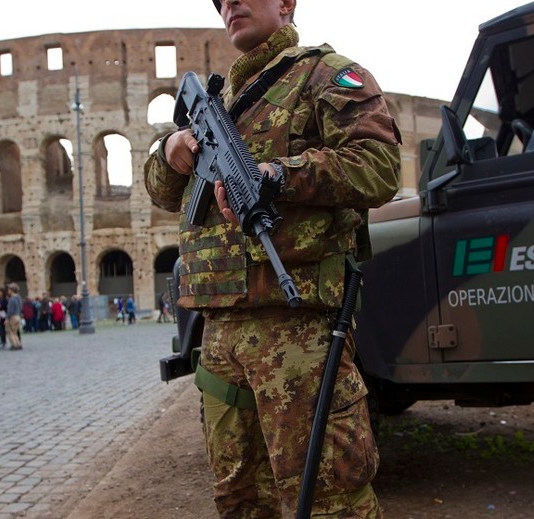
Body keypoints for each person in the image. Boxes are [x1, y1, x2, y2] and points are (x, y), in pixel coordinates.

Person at [144, 0, 402, 515]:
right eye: (221, 1)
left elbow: (379, 166)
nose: (230, 5)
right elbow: (163, 192)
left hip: (299, 331)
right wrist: (172, 147)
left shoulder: (326, 75)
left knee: (331, 499)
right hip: (219, 333)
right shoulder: (224, 103)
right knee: (238, 498)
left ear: (286, 4)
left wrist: (279, 175)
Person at [5, 284, 23, 350]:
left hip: (12, 316)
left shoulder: (12, 299)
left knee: (10, 331)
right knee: (15, 331)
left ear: (11, 290)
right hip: (18, 315)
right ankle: (18, 343)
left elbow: (10, 310)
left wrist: (7, 318)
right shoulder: (19, 298)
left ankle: (14, 344)